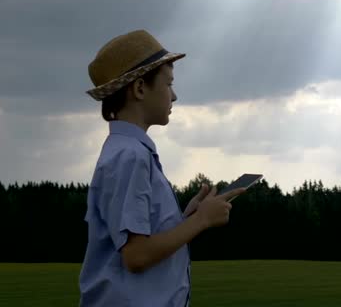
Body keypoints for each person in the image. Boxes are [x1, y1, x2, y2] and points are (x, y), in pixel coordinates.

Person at [79, 29, 245, 306]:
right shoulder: (130, 157)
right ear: (140, 88)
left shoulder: (126, 151)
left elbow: (137, 239)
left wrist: (185, 218)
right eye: (168, 84)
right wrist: (200, 220)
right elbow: (137, 256)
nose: (175, 95)